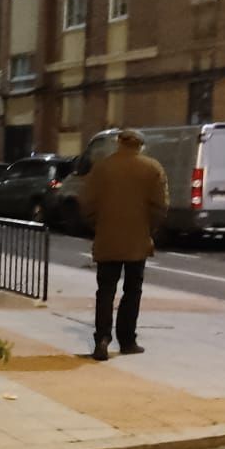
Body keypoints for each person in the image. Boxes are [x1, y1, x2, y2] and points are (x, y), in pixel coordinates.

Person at [77, 129, 169, 361]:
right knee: (132, 290)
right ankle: (127, 340)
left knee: (105, 290)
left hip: (107, 238)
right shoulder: (152, 168)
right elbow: (161, 206)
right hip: (137, 239)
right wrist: (149, 229)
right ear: (140, 145)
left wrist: (97, 225)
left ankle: (102, 339)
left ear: (119, 142)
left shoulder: (101, 168)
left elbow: (86, 203)